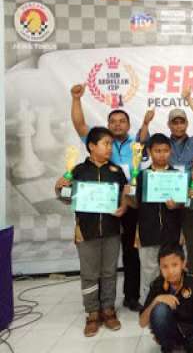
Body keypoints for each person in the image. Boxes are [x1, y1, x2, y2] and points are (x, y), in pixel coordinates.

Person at [71, 83, 150, 312]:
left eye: (122, 121)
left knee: (132, 252)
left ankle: (131, 297)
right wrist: (76, 99)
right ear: (107, 125)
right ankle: (97, 304)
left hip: (130, 204)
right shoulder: (100, 142)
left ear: (128, 125)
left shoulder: (138, 145)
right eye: (113, 121)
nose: (117, 124)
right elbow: (79, 125)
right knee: (101, 254)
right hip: (103, 206)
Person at [55, 127, 128, 337]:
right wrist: (59, 188)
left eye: (111, 144)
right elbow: (66, 197)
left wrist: (123, 206)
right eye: (106, 143)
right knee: (89, 275)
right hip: (86, 231)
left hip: (112, 230)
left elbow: (125, 193)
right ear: (92, 146)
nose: (110, 148)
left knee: (109, 272)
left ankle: (108, 309)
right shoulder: (77, 171)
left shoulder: (116, 171)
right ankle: (92, 313)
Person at [141, 108, 193, 278]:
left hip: (190, 197)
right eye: (174, 122)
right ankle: (168, 281)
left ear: (187, 124)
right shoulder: (164, 144)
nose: (178, 126)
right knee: (171, 244)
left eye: (181, 122)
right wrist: (146, 123)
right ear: (169, 125)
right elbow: (143, 143)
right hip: (168, 200)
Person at [127, 133, 183, 302]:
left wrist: (176, 204)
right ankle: (149, 304)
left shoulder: (177, 175)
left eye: (165, 150)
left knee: (172, 271)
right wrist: (128, 193)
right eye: (157, 151)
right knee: (149, 271)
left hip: (171, 232)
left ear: (170, 151)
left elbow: (184, 203)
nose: (161, 154)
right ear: (150, 152)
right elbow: (134, 204)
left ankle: (173, 303)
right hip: (147, 232)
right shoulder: (141, 176)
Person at [139, 244, 193, 353]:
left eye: (174, 265)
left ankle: (186, 347)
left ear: (183, 264)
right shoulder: (157, 285)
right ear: (160, 268)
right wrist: (157, 300)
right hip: (171, 334)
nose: (170, 271)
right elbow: (142, 322)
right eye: (165, 267)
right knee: (160, 310)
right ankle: (170, 347)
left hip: (192, 332)